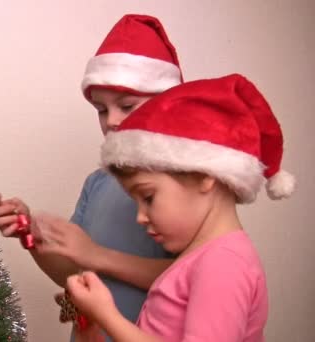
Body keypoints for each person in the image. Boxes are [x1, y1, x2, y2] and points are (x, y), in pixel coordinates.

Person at [0, 14, 183, 335]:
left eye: (127, 106)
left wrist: (97, 255)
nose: (111, 121)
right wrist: (30, 236)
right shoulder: (98, 183)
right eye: (102, 110)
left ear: (167, 102)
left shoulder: (186, 183)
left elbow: (193, 276)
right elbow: (74, 269)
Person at [66, 73, 295, 341]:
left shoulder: (224, 263)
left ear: (204, 176)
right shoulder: (199, 259)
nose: (140, 216)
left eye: (148, 197)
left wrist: (109, 317)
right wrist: (93, 328)